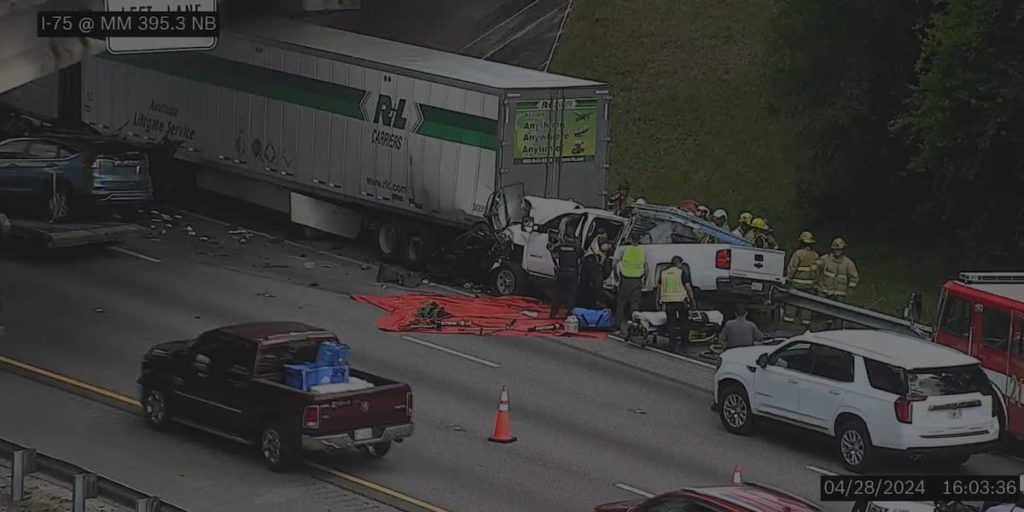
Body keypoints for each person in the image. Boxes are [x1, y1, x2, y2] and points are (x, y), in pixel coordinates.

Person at [658, 256, 695, 353]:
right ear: (679, 263)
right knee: (684, 322)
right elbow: (688, 288)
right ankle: (684, 342)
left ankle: (672, 342)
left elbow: (659, 288)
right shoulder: (681, 272)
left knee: (671, 322)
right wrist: (692, 300)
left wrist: (658, 300)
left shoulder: (663, 273)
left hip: (668, 301)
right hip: (681, 300)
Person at [784, 231, 820, 326]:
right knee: (807, 305)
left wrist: (787, 278)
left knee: (791, 303)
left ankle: (788, 323)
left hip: (796, 285)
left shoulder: (798, 254)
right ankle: (805, 323)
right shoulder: (815, 255)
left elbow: (792, 268)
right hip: (809, 286)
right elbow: (817, 271)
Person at [615, 237, 647, 334]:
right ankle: (634, 325)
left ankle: (617, 326)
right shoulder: (641, 251)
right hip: (637, 280)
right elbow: (645, 267)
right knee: (635, 303)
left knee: (621, 303)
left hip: (625, 279)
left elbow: (617, 263)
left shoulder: (625, 250)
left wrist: (617, 279)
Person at [815, 237, 860, 304]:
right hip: (824, 292)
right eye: (836, 249)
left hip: (839, 295)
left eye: (839, 249)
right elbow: (815, 267)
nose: (837, 251)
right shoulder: (825, 259)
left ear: (843, 250)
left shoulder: (848, 263)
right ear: (832, 249)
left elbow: (854, 277)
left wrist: (850, 288)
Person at [549, 233, 582, 319]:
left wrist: (556, 265)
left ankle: (553, 314)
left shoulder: (560, 246)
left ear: (565, 237)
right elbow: (582, 256)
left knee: (558, 294)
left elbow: (552, 252)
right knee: (571, 295)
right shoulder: (576, 247)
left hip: (562, 272)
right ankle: (569, 315)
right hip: (572, 273)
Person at [581, 228, 610, 308]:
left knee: (586, 284)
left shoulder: (592, 239)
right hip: (593, 262)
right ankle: (600, 304)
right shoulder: (601, 238)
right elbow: (604, 248)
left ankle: (584, 304)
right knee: (598, 284)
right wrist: (611, 245)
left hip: (587, 261)